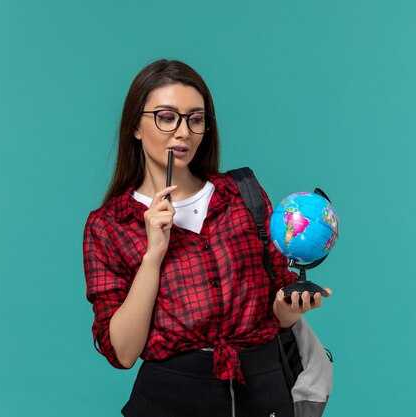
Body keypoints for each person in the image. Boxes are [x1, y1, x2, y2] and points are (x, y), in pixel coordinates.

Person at [83, 59, 331, 417]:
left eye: (195, 119)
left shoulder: (242, 195)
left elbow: (276, 308)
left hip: (264, 396)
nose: (183, 132)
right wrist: (154, 254)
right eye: (166, 117)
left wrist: (290, 309)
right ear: (135, 126)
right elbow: (122, 352)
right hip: (170, 401)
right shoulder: (109, 225)